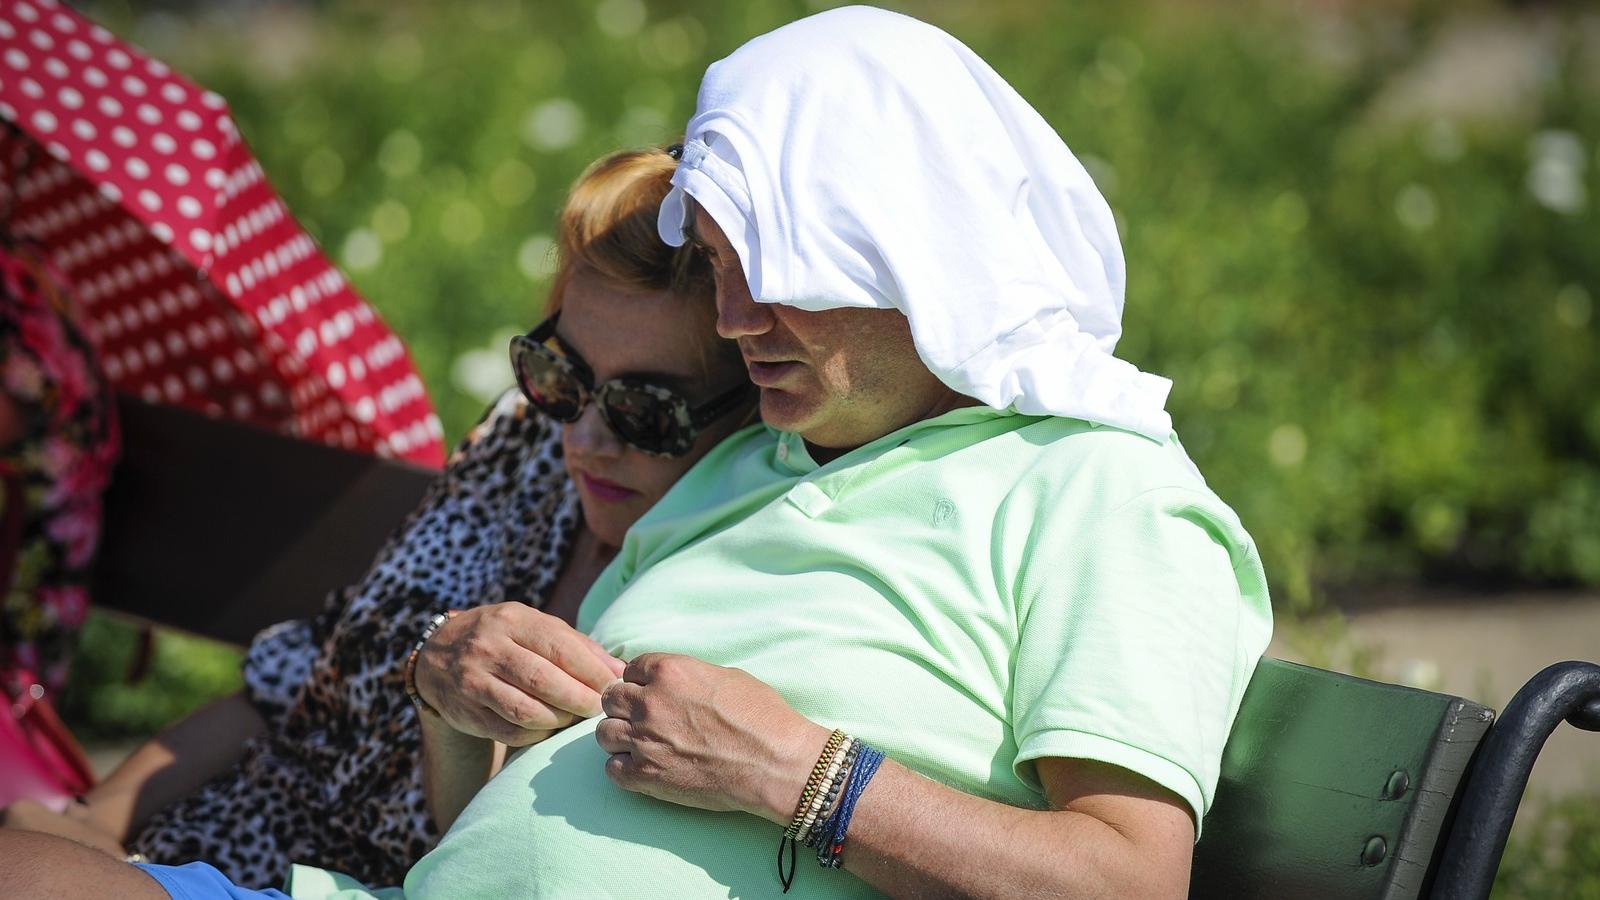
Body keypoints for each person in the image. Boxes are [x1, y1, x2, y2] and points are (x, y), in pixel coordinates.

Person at [0, 8, 1273, 899]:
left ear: (904, 249)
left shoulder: (1102, 492)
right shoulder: (747, 466)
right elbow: (493, 831)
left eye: (767, 271)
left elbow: (1122, 878)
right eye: (717, 270)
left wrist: (798, 772)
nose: (731, 323)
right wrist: (457, 715)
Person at [0, 146, 755, 886]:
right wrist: (95, 820)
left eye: (645, 411)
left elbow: (491, 860)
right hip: (193, 839)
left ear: (748, 400)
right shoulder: (527, 441)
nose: (584, 438)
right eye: (562, 372)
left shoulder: (723, 570)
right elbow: (301, 674)